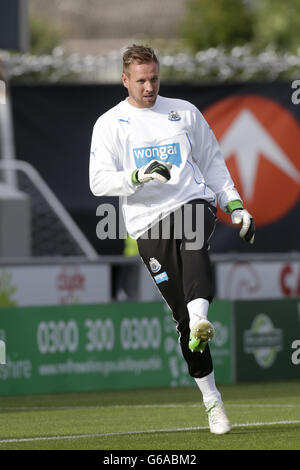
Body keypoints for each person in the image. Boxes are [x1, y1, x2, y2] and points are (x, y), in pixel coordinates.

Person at [89, 44, 255, 435]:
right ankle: (211, 399)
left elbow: (213, 161)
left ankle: (201, 318)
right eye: (141, 80)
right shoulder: (110, 123)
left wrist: (234, 204)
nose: (149, 87)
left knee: (194, 235)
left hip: (191, 202)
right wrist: (137, 176)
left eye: (155, 78)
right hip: (147, 224)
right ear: (125, 80)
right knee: (182, 322)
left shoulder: (184, 113)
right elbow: (98, 181)